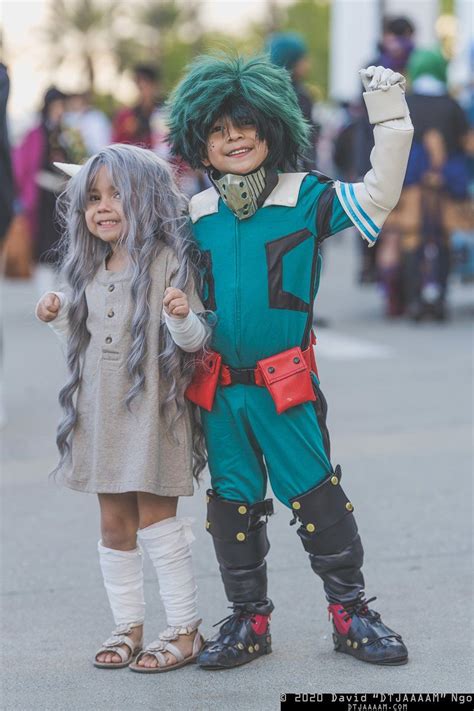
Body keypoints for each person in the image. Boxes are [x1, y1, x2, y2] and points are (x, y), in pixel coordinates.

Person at [167, 55, 413, 669]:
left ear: (273, 128)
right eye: (219, 130)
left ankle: (350, 612)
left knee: (316, 495)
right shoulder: (195, 214)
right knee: (232, 503)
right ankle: (248, 621)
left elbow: (381, 192)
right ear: (200, 142)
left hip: (287, 384)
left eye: (245, 124)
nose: (234, 138)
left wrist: (392, 118)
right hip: (220, 390)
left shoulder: (305, 195)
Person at [35, 144, 210, 671]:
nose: (103, 206)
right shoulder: (90, 265)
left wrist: (180, 315)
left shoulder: (168, 261)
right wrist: (58, 318)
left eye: (117, 194)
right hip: (103, 412)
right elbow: (87, 343)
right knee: (114, 524)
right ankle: (127, 626)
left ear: (149, 199)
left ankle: (184, 629)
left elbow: (195, 338)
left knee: (157, 521)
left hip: (156, 409)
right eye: (93, 197)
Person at [355, 16, 415, 285]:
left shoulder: (371, 62)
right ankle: (387, 275)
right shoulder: (405, 64)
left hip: (369, 145)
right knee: (393, 215)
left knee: (375, 207)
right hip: (397, 144)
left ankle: (374, 267)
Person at [268, 32, 319, 171]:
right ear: (289, 61)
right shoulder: (296, 96)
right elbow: (304, 144)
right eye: (303, 59)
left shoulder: (267, 92)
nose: (307, 64)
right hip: (295, 172)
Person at [112, 64, 162, 148]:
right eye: (138, 82)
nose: (141, 87)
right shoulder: (126, 117)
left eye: (146, 82)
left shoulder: (164, 114)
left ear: (155, 85)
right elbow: (117, 146)